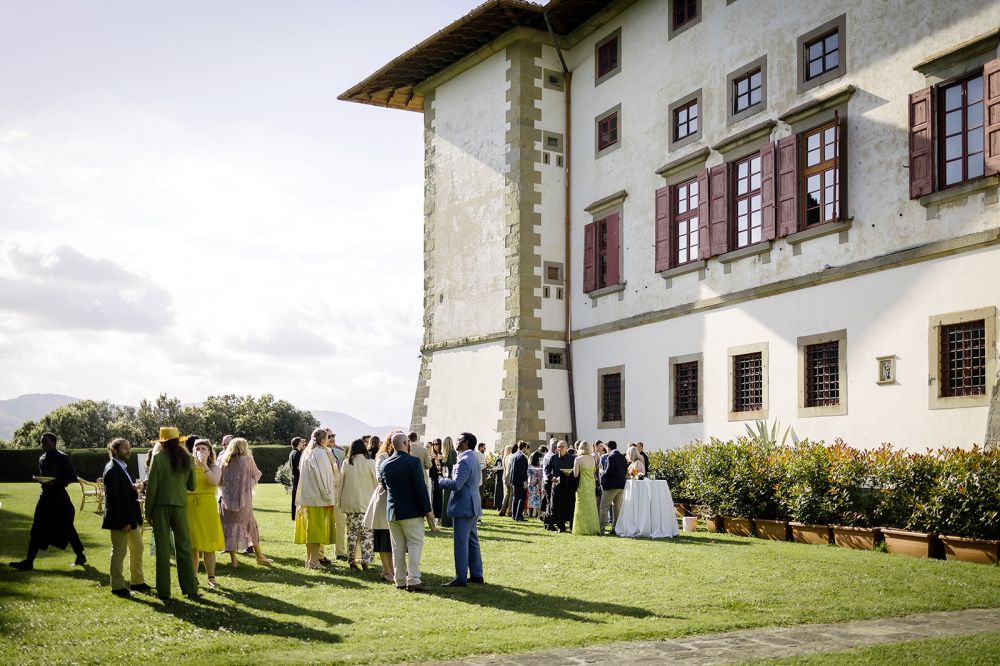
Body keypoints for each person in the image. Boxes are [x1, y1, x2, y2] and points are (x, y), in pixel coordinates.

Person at [10, 432, 86, 571]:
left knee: (67, 526)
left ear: (53, 442)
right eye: (41, 441)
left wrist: (55, 483)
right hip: (45, 497)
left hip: (59, 498)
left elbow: (71, 477)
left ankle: (80, 555)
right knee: (37, 527)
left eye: (45, 441)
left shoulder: (63, 457)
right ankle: (29, 561)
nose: (42, 444)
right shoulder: (42, 458)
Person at [144, 427, 199, 600]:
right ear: (179, 440)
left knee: (162, 550)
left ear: (162, 442)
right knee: (184, 547)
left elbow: (151, 487)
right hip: (180, 506)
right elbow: (192, 486)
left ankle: (164, 591)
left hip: (160, 507)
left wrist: (148, 511)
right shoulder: (189, 458)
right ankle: (191, 589)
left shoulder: (158, 459)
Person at [379, 432, 433, 592]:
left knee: (397, 547)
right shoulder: (413, 462)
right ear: (405, 443)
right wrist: (428, 512)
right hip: (411, 511)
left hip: (392, 511)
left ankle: (400, 579)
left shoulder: (385, 464)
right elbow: (421, 489)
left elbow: (383, 485)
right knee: (415, 544)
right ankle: (414, 579)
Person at [101, 438, 149, 597]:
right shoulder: (112, 469)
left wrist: (134, 487)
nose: (128, 450)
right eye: (124, 448)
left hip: (131, 517)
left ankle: (137, 581)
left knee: (138, 548)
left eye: (129, 447)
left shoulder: (123, 467)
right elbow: (112, 499)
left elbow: (123, 490)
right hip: (121, 520)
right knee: (119, 552)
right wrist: (123, 522)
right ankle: (117, 586)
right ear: (114, 450)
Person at [438, 432, 485, 587]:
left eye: (459, 439)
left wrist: (442, 481)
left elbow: (457, 485)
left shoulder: (464, 460)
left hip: (463, 505)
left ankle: (461, 577)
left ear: (466, 443)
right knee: (472, 541)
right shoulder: (473, 458)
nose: (456, 441)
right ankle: (477, 574)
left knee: (461, 543)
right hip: (472, 503)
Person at [218, 437, 272, 567]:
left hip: (226, 500)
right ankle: (259, 556)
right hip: (244, 500)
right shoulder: (247, 460)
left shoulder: (224, 462)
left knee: (229, 528)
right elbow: (256, 474)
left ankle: (234, 560)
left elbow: (219, 481)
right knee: (249, 525)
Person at [294, 429, 336, 569]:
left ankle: (310, 559)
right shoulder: (319, 453)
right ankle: (313, 561)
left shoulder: (307, 452)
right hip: (317, 498)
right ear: (322, 439)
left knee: (310, 530)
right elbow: (323, 476)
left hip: (308, 496)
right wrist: (328, 496)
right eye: (327, 437)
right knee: (316, 531)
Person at [187, 439, 225, 588]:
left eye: (204, 448)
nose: (200, 451)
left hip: (207, 508)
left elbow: (214, 481)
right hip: (189, 507)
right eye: (197, 448)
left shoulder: (214, 467)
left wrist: (204, 466)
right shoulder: (187, 467)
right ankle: (193, 577)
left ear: (209, 452)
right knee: (192, 545)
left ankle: (211, 577)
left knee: (209, 545)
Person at [339, 438, 377, 571]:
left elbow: (341, 483)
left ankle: (352, 561)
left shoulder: (346, 463)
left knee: (352, 534)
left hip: (351, 504)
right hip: (367, 504)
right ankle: (365, 561)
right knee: (367, 534)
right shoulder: (371, 463)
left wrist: (340, 500)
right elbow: (376, 483)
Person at [364, 434, 396, 583]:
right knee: (384, 535)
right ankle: (387, 569)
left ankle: (393, 568)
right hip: (384, 498)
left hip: (397, 499)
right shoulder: (382, 457)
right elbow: (380, 478)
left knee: (394, 537)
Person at [545, 440, 576, 532]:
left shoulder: (572, 458)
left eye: (562, 446)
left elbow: (576, 471)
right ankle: (560, 526)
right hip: (557, 486)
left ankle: (571, 525)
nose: (560, 448)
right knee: (557, 507)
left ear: (566, 447)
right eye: (558, 447)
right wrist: (551, 478)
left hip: (568, 486)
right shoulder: (553, 458)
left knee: (569, 506)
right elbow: (547, 470)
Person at [572, 441, 600, 535]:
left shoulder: (578, 459)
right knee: (591, 506)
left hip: (582, 485)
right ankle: (593, 528)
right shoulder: (593, 458)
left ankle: (581, 529)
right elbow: (594, 471)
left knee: (581, 506)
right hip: (591, 484)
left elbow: (575, 475)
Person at [599, 441, 627, 535]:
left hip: (611, 486)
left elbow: (609, 472)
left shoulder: (611, 456)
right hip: (621, 486)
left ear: (608, 447)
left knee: (603, 507)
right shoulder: (622, 456)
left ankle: (601, 529)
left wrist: (601, 471)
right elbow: (625, 472)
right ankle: (616, 529)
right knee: (617, 508)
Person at [407, 431, 434, 530]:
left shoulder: (406, 449)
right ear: (417, 438)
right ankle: (432, 526)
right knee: (425, 502)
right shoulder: (423, 450)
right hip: (422, 478)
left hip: (408, 480)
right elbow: (429, 465)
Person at [439, 436, 458, 528]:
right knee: (445, 500)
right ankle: (444, 521)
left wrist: (444, 459)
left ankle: (448, 522)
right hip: (445, 478)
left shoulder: (453, 452)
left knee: (447, 500)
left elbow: (452, 465)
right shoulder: (448, 453)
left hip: (450, 479)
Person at [508, 441, 530, 521]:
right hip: (520, 480)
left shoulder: (513, 455)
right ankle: (519, 516)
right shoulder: (522, 457)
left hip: (513, 479)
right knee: (522, 497)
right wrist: (524, 482)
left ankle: (514, 515)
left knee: (515, 498)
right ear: (524, 448)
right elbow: (522, 471)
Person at [289, 436, 304, 521]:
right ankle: (297, 515)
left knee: (295, 496)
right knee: (298, 497)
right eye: (301, 442)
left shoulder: (292, 452)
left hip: (294, 477)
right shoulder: (297, 453)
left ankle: (294, 516)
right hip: (298, 477)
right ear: (298, 443)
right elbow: (299, 467)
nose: (303, 443)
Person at [498, 444, 515, 517]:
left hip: (505, 477)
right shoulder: (511, 457)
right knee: (511, 495)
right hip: (510, 477)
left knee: (507, 495)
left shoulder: (505, 457)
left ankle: (503, 510)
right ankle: (510, 511)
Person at [527, 448, 544, 519]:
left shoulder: (541, 466)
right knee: (535, 500)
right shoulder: (530, 466)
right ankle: (535, 514)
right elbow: (528, 475)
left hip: (541, 484)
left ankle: (539, 515)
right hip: (534, 485)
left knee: (541, 500)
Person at [428, 440, 443, 520]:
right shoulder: (432, 455)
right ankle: (436, 516)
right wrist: (431, 459)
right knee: (434, 497)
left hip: (441, 478)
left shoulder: (442, 455)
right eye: (434, 444)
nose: (435, 446)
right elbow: (429, 467)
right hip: (434, 478)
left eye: (437, 444)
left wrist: (442, 459)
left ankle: (440, 515)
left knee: (440, 497)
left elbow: (444, 467)